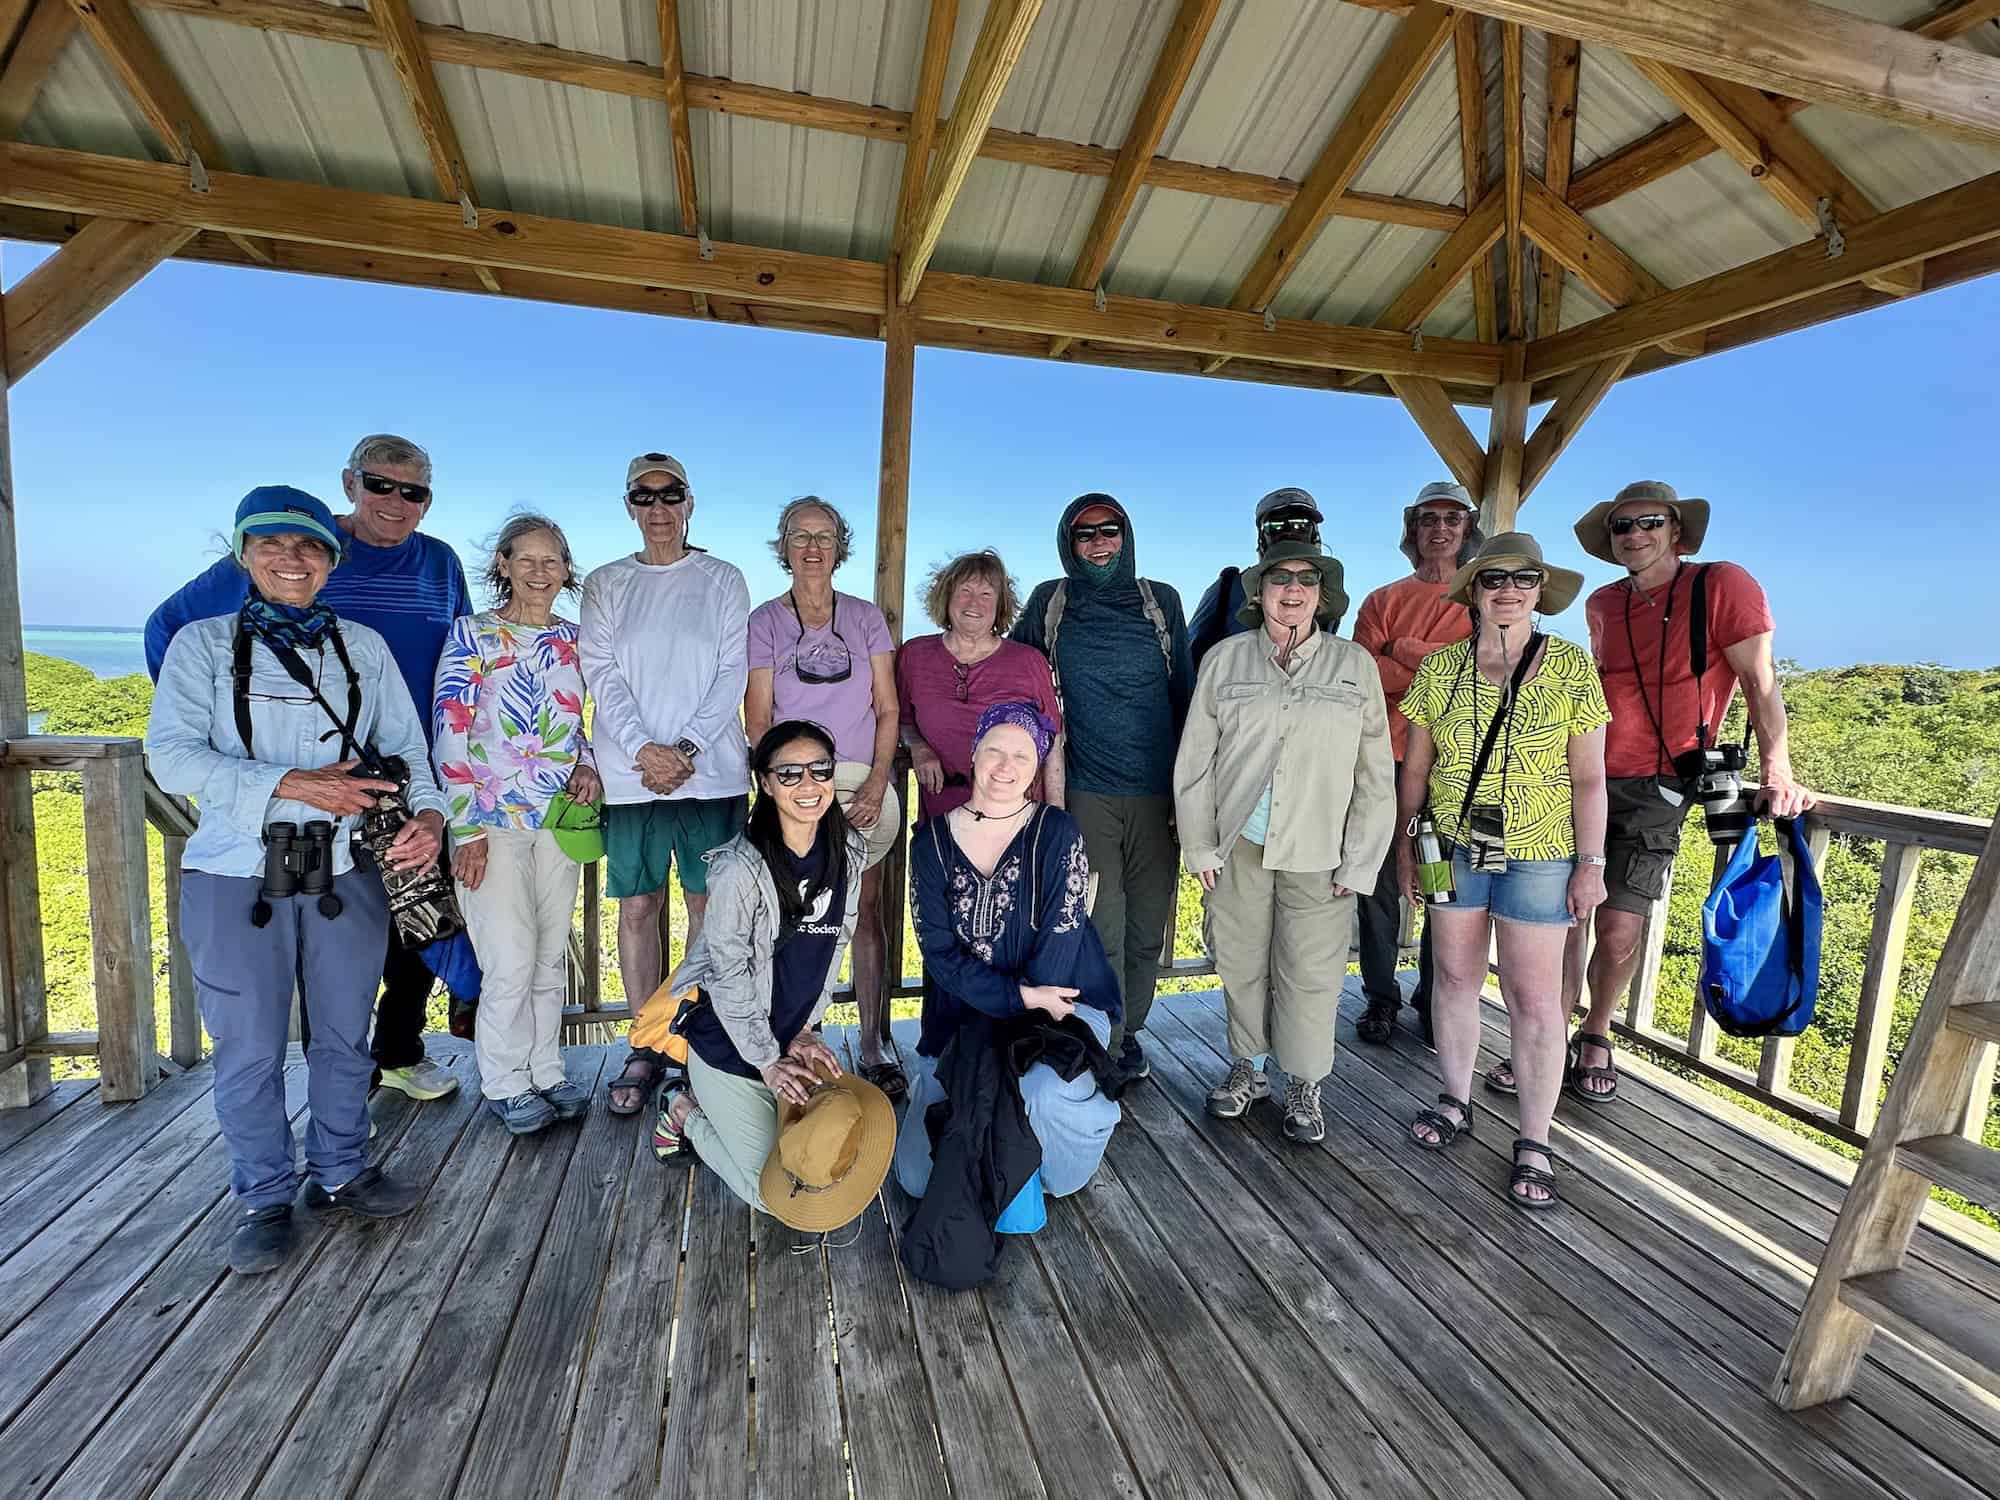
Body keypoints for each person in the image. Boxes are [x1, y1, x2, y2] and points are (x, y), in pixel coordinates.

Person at [147, 488, 447, 1273]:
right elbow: (170, 757)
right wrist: (295, 785)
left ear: (331, 561)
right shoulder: (202, 646)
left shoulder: (362, 648)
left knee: (345, 1031)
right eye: (273, 543)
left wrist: (431, 818)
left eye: (310, 547)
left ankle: (342, 1171)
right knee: (247, 1045)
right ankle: (263, 1195)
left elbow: (409, 750)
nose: (292, 557)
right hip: (236, 870)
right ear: (243, 554)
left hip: (347, 866)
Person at [144, 434, 471, 1102]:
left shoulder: (438, 562)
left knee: (416, 913)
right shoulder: (304, 545)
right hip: (308, 783)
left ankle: (399, 1049)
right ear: (350, 483)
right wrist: (230, 741)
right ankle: (337, 1091)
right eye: (381, 485)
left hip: (410, 766)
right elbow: (170, 629)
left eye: (414, 492)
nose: (396, 502)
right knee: (339, 929)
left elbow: (465, 653)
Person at [1528, 480, 1816, 1105]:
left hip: (1657, 784)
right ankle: (1545, 1040)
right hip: (1576, 777)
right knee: (1564, 917)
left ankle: (1597, 1031)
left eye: (1647, 523)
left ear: (1675, 531)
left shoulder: (1721, 585)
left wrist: (1777, 771)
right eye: (1621, 527)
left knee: (1621, 924)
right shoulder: (1603, 603)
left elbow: (1760, 682)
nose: (1633, 535)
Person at [1394, 533, 1609, 1211]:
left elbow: (1590, 779)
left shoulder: (1573, 669)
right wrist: (1406, 847)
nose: (1509, 589)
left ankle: (1536, 1138)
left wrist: (1591, 864)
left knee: (1535, 999)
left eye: (1523, 578)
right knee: (1453, 979)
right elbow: (1418, 771)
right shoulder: (1441, 671)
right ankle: (1456, 1100)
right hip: (1449, 846)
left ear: (1540, 590)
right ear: (1473, 593)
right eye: (1494, 579)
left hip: (1544, 853)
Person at [1174, 540, 1395, 1144]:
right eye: (1279, 578)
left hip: (1322, 849)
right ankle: (1248, 1068)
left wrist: (1362, 859)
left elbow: (1376, 773)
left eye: (1306, 579)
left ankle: (1304, 1081)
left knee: (1312, 971)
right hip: (1239, 841)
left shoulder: (1354, 667)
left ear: (1322, 596)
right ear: (1259, 591)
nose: (1292, 590)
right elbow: (1194, 761)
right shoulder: (1224, 660)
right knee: (1242, 961)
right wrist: (1199, 844)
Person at [896, 703, 1123, 1284]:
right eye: (994, 749)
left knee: (1038, 1090)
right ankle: (1003, 1160)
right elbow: (941, 955)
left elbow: (1059, 947)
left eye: (1022, 754)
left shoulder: (1057, 832)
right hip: (964, 1014)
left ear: (1037, 764)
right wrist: (1018, 998)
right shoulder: (930, 843)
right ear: (971, 755)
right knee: (918, 1178)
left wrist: (1026, 1005)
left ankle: (1053, 1163)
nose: (1006, 765)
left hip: (1062, 1010)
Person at [649, 721, 882, 1219]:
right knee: (775, 1195)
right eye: (790, 773)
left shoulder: (850, 853)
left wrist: (801, 1028)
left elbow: (835, 945)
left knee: (819, 1164)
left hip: (789, 1038)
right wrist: (768, 1061)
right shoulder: (739, 869)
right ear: (766, 782)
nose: (808, 784)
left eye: (820, 769)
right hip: (732, 1047)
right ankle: (682, 1111)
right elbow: (729, 977)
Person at [581, 452, 752, 1117]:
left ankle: (695, 1037)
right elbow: (602, 673)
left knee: (710, 911)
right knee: (638, 908)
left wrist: (685, 748)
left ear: (689, 501)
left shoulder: (722, 578)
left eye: (670, 494)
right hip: (631, 780)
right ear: (629, 506)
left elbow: (731, 671)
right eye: (643, 496)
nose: (658, 508)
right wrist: (645, 750)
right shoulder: (605, 583)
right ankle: (645, 1041)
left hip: (710, 775)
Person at [1011, 493, 1193, 1080]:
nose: (1097, 543)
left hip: (1158, 796)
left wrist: (1189, 792)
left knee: (1147, 926)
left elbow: (1186, 697)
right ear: (1068, 543)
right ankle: (1104, 1040)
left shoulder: (1159, 602)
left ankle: (1130, 1032)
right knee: (1100, 924)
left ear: (1126, 535)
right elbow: (1013, 672)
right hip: (1084, 790)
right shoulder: (1051, 602)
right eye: (1084, 534)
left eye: (1108, 531)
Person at [433, 514, 601, 1134]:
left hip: (557, 818)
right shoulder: (472, 635)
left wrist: (590, 766)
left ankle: (547, 1070)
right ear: (502, 564)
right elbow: (448, 733)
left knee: (550, 955)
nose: (539, 571)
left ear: (566, 569)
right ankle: (505, 1082)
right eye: (525, 559)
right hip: (491, 823)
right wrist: (466, 830)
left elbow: (579, 723)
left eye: (551, 560)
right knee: (509, 958)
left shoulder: (577, 640)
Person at [744, 497, 905, 1100]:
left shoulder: (865, 618)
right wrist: (788, 789)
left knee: (861, 910)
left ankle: (872, 1044)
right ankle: (794, 1039)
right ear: (783, 546)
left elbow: (888, 709)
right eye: (799, 535)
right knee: (793, 916)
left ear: (841, 546)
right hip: (795, 786)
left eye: (825, 536)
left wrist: (875, 781)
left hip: (861, 781)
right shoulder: (764, 622)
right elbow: (758, 718)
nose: (812, 547)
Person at [1350, 481, 1484, 1048]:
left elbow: (1474, 678)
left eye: (1453, 518)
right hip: (1384, 760)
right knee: (1378, 884)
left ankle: (1435, 999)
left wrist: (1402, 651)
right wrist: (1432, 665)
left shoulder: (1482, 600)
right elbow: (1361, 675)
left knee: (1441, 885)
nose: (1440, 528)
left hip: (1451, 768)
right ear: (1414, 529)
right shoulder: (1382, 599)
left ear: (1466, 528)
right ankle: (1381, 997)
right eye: (1429, 518)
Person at [895, 550, 1063, 823]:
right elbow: (902, 720)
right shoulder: (915, 655)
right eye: (965, 591)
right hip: (944, 814)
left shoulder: (1029, 662)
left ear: (1000, 606)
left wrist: (1056, 820)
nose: (974, 603)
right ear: (946, 597)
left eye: (986, 594)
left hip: (1017, 817)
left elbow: (1053, 739)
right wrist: (919, 747)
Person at [1187, 487, 1343, 669]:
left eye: (1301, 524)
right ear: (1262, 538)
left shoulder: (1326, 594)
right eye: (1274, 527)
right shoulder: (1226, 588)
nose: (1289, 532)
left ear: (1314, 534)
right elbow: (1190, 658)